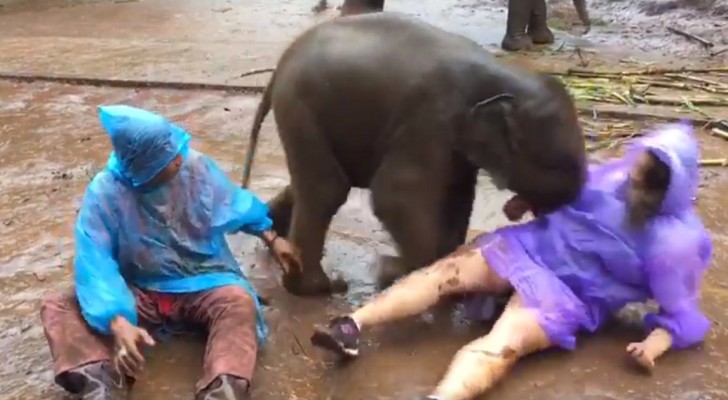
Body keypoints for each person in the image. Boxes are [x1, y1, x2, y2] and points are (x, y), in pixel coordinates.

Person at [310, 122, 712, 400]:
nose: (633, 180)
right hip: (529, 247)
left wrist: (652, 346)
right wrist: (529, 199)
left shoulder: (675, 243)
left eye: (644, 179)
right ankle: (351, 324)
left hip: (569, 294)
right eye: (637, 170)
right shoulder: (612, 179)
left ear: (667, 189)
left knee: (504, 344)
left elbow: (679, 314)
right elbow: (566, 192)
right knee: (444, 273)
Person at [40, 105, 300, 400]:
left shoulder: (195, 167)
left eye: (176, 152)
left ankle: (223, 387)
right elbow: (94, 261)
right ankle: (98, 384)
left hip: (202, 279)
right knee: (59, 306)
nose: (178, 160)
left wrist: (272, 236)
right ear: (142, 172)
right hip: (140, 288)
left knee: (239, 303)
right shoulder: (105, 193)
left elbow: (232, 203)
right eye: (167, 159)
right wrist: (117, 320)